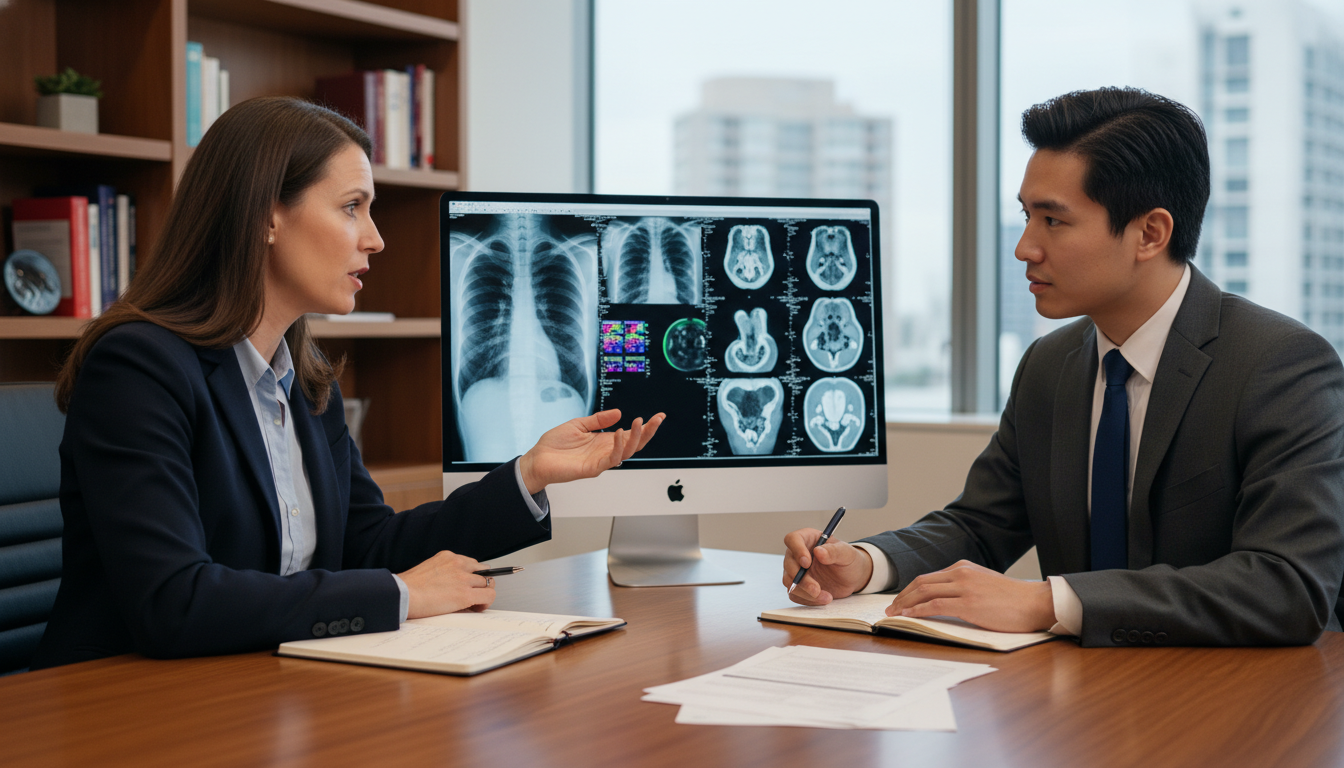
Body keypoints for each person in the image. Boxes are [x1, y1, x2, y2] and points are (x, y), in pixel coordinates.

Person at [30, 97, 664, 669]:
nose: (377, 239)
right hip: (119, 706)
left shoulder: (304, 382)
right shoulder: (138, 368)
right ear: (264, 217)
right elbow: (175, 600)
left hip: (261, 683)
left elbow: (367, 543)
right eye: (351, 207)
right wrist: (402, 594)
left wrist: (529, 474)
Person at [783, 87, 1344, 647]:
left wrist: (1047, 600)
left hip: (1236, 700)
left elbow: (1286, 585)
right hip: (1076, 697)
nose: (1025, 247)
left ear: (1150, 233)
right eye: (1027, 216)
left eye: (1053, 221)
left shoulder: (1279, 365)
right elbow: (981, 525)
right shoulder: (1049, 364)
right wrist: (865, 562)